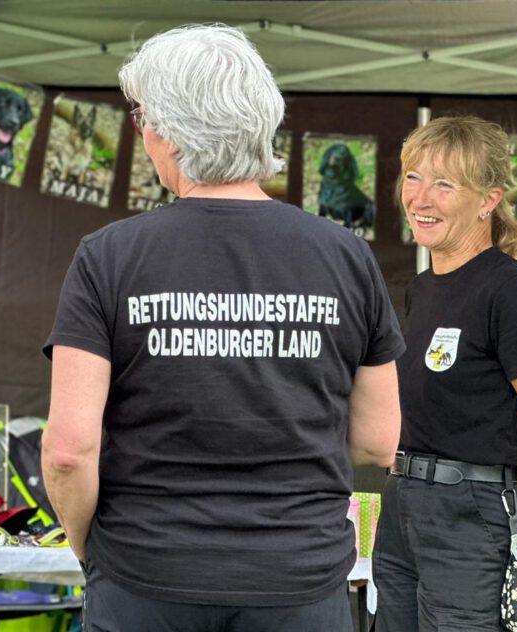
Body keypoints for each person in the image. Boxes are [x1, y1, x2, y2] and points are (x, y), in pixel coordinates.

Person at [41, 24, 404, 632]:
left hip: (145, 576)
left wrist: (87, 550)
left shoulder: (109, 256)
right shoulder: (344, 255)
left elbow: (68, 452)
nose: (144, 133)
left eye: (143, 118)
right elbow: (377, 439)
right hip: (298, 579)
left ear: (172, 133)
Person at [372, 116, 517, 631]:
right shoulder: (421, 289)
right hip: (404, 506)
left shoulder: (511, 294)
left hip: (475, 516)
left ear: (488, 200)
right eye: (413, 177)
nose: (420, 198)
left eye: (444, 184)